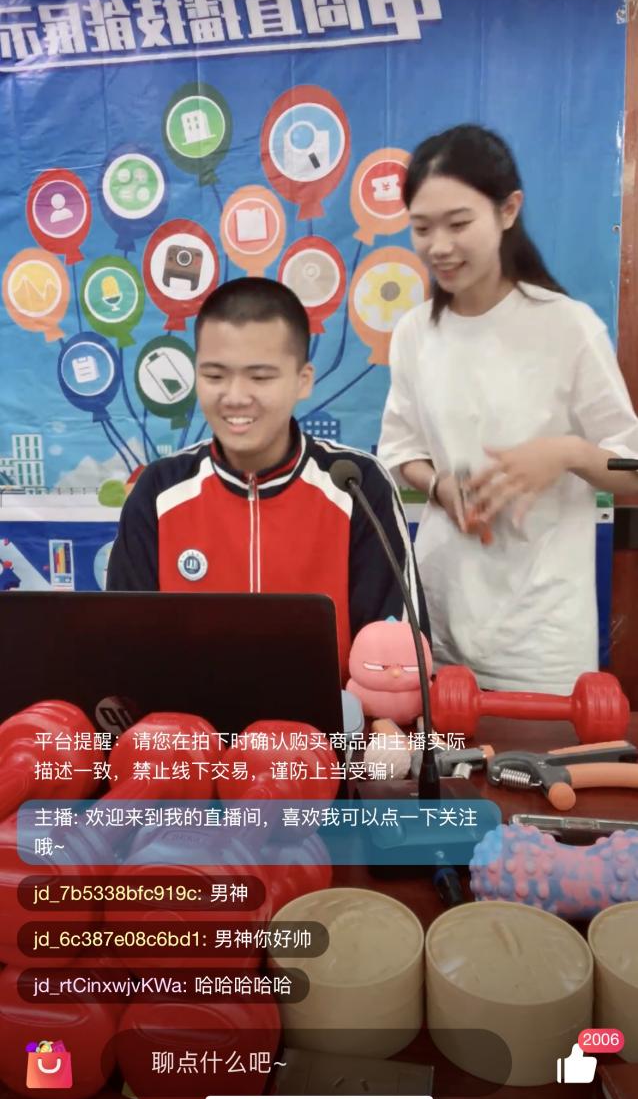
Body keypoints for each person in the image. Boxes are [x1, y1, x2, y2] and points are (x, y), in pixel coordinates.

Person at [378, 124, 638, 695]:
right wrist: (441, 486)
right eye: (422, 228)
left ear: (508, 210)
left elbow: (633, 471)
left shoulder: (567, 327)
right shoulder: (415, 333)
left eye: (458, 223)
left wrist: (566, 453)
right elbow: (400, 451)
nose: (438, 246)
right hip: (438, 626)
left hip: (542, 640)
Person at [107, 277, 429, 683]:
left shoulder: (356, 485)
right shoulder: (159, 490)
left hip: (331, 723)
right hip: (186, 724)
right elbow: (124, 651)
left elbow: (399, 660)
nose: (235, 397)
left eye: (260, 377)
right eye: (215, 376)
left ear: (303, 380)